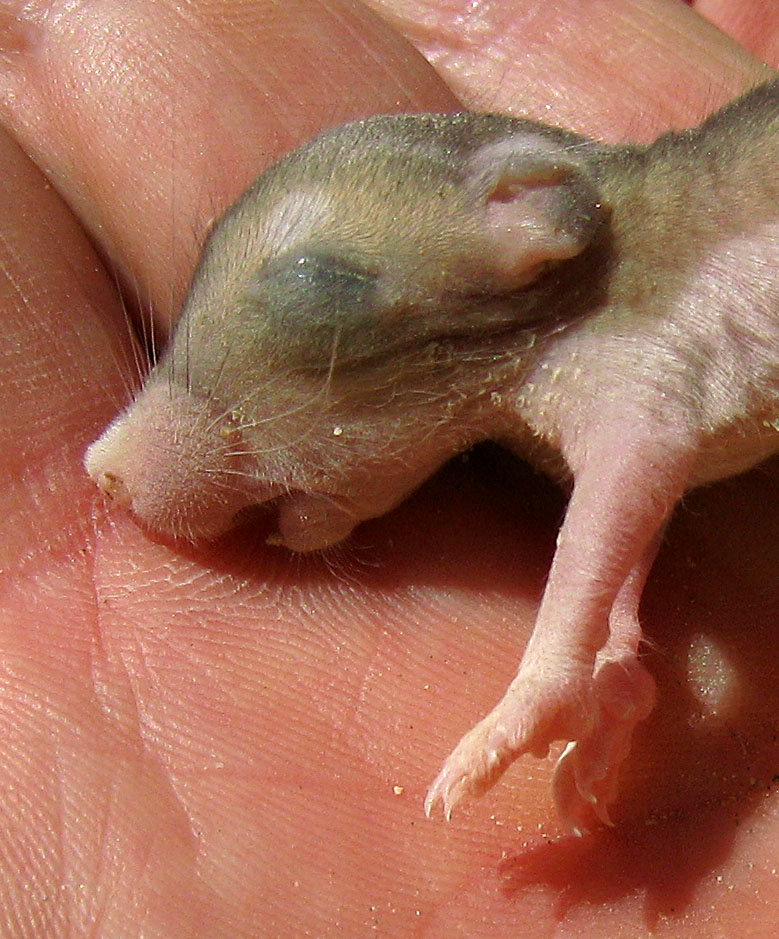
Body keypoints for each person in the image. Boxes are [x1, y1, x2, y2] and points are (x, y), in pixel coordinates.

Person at [0, 0, 775, 932]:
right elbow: (637, 470)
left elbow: (640, 442)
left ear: (525, 217)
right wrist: (615, 639)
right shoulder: (558, 361)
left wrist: (552, 669)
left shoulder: (616, 323)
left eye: (318, 294)